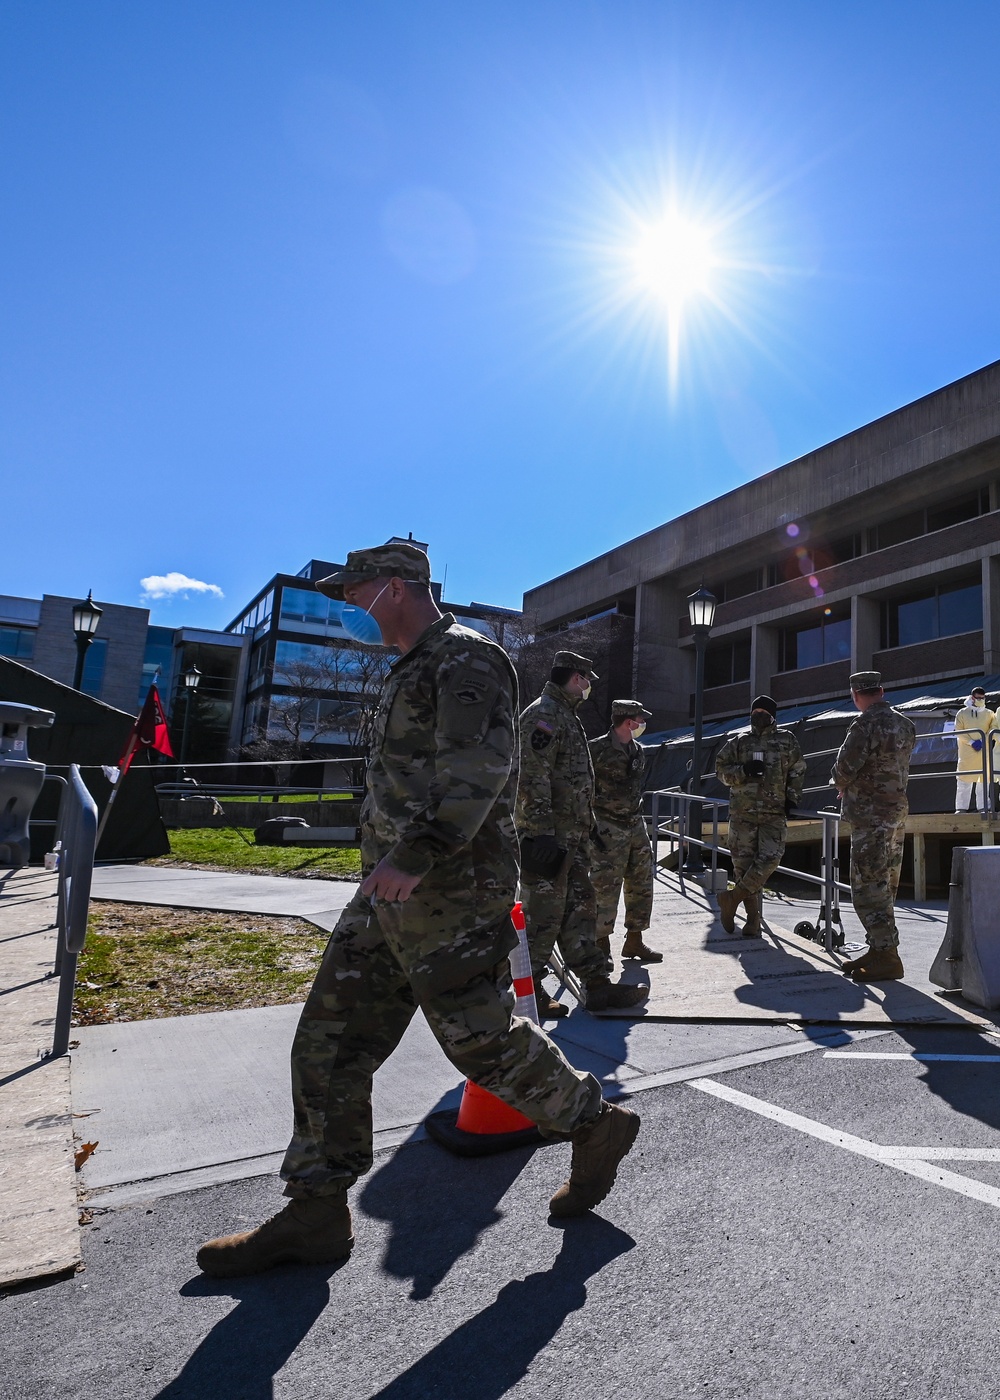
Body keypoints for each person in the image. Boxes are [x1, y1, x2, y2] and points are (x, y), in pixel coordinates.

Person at [196, 544, 640, 1277]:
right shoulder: (412, 665)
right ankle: (315, 1208)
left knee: (480, 1042)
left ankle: (594, 1123)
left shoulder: (465, 657)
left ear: (396, 588)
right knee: (328, 1041)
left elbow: (482, 767)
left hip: (448, 891)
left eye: (356, 592)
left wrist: (419, 851)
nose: (348, 607)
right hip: (388, 894)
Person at [517, 652, 646, 1017]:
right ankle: (528, 992)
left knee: (580, 910)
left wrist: (588, 827)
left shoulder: (566, 717)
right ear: (575, 678)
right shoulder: (543, 715)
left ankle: (597, 985)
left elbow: (573, 783)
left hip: (571, 840)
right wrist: (541, 834)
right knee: (543, 916)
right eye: (587, 678)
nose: (589, 686)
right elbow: (532, 776)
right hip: (549, 840)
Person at [832, 670, 916, 983]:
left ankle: (888, 957)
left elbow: (845, 766)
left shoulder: (865, 723)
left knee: (867, 887)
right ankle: (879, 950)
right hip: (895, 811)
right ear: (881, 690)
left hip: (869, 815)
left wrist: (841, 783)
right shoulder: (905, 724)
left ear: (856, 696)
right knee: (886, 884)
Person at [714, 696, 806, 937]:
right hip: (742, 812)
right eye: (756, 710)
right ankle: (753, 922)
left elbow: (798, 770)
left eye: (764, 710)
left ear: (774, 714)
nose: (759, 714)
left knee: (771, 858)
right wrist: (742, 772)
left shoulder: (787, 740)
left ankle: (732, 898)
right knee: (743, 866)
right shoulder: (739, 741)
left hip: (773, 811)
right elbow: (720, 770)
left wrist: (792, 798)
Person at [589, 699, 662, 965]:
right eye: (640, 720)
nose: (643, 724)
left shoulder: (638, 750)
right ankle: (600, 945)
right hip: (606, 825)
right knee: (605, 886)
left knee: (641, 882)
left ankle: (634, 940)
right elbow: (583, 787)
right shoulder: (596, 749)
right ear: (629, 721)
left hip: (635, 824)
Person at [954, 685, 998, 813]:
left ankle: (984, 807)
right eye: (978, 698)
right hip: (966, 753)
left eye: (983, 698)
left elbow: (992, 728)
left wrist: (983, 739)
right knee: (963, 781)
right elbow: (958, 731)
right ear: (972, 698)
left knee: (983, 781)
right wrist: (971, 742)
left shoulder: (989, 714)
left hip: (984, 753)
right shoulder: (962, 713)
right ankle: (961, 808)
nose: (981, 700)